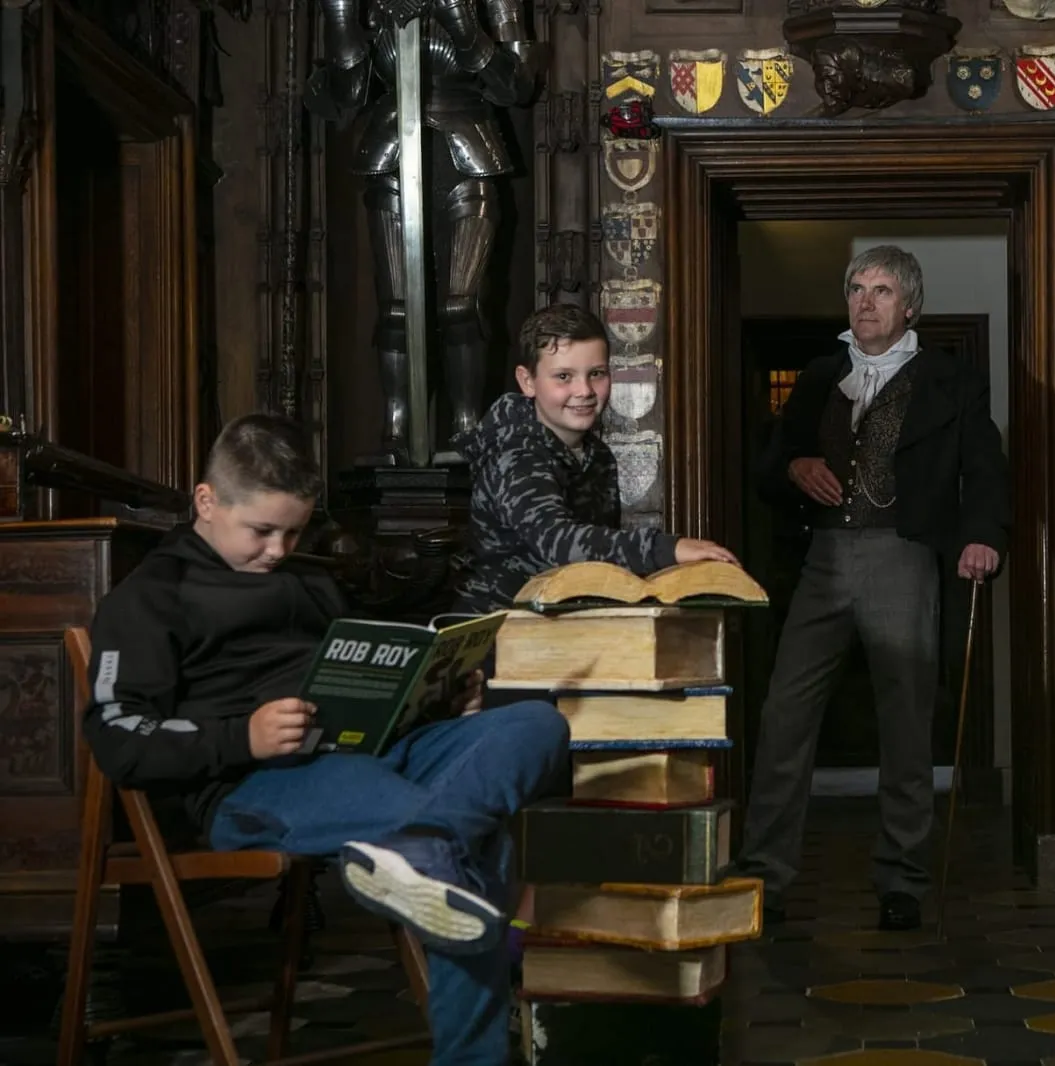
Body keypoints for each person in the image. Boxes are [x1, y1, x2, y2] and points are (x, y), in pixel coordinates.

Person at [84, 413, 570, 1065]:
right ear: (206, 501)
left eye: (294, 531)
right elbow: (117, 737)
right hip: (254, 782)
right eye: (261, 531)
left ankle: (424, 843)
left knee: (534, 723)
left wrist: (439, 699)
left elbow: (362, 682)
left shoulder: (308, 580)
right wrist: (243, 737)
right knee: (478, 841)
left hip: (370, 753)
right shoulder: (148, 597)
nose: (278, 549)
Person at [732, 245, 1011, 932]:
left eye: (881, 290)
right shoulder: (820, 375)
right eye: (857, 288)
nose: (865, 301)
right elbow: (769, 465)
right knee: (784, 714)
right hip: (824, 558)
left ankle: (903, 880)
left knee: (906, 721)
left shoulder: (950, 378)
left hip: (903, 555)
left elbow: (985, 466)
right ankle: (765, 875)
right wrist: (794, 467)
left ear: (909, 306)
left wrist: (982, 536)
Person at [452, 303, 735, 615]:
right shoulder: (515, 453)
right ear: (527, 381)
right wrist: (668, 549)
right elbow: (559, 543)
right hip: (498, 627)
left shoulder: (599, 456)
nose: (584, 390)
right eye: (564, 376)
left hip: (566, 622)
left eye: (597, 374)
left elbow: (597, 567)